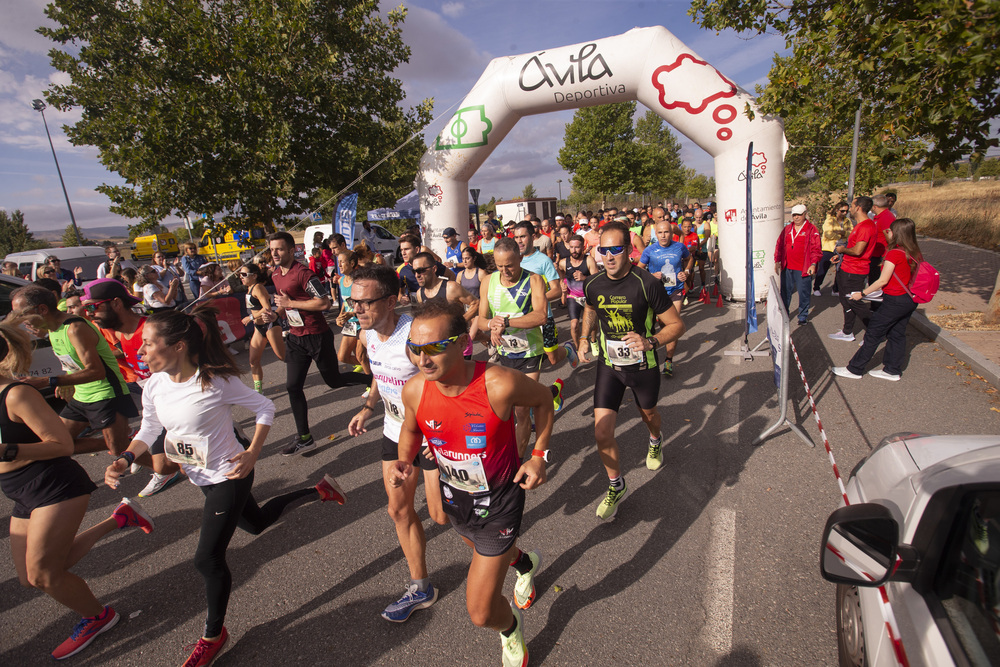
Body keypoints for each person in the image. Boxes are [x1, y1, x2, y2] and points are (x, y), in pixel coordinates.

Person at [104, 306, 347, 667]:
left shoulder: (214, 380)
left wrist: (252, 454)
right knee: (256, 523)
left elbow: (265, 408)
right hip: (200, 474)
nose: (139, 352)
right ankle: (319, 490)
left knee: (207, 558)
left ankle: (213, 635)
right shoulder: (153, 385)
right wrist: (125, 458)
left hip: (230, 474)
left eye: (148, 344)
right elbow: (150, 430)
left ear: (178, 346)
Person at [390, 300, 550, 667]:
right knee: (475, 544)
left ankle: (510, 627)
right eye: (415, 348)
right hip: (457, 499)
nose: (422, 359)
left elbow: (543, 401)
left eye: (434, 348)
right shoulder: (415, 390)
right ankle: (524, 563)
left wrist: (539, 456)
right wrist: (403, 457)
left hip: (500, 503)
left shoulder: (498, 383)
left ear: (462, 344)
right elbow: (411, 430)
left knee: (480, 613)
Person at [0, 319, 154, 661]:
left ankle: (99, 617)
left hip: (52, 483)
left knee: (45, 574)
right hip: (18, 490)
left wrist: (9, 452)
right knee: (29, 578)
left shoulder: (16, 394)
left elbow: (60, 445)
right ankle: (120, 518)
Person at [345, 266, 446, 622]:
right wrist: (368, 406)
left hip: (430, 434)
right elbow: (379, 374)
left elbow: (444, 384)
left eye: (365, 303)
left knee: (442, 515)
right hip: (395, 430)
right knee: (398, 510)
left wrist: (441, 433)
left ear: (390, 301)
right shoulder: (369, 332)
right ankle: (421, 587)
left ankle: (515, 558)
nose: (357, 309)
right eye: (353, 302)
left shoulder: (413, 338)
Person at [579, 222, 685, 519]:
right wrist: (584, 338)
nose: (609, 256)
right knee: (602, 433)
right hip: (610, 367)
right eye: (603, 250)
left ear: (629, 250)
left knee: (648, 416)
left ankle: (655, 440)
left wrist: (650, 341)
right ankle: (616, 484)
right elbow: (589, 308)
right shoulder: (593, 283)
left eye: (615, 249)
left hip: (643, 365)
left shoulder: (646, 283)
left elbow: (677, 325)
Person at [264, 232, 370, 455]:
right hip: (295, 337)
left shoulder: (303, 273)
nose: (274, 253)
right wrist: (276, 315)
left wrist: (289, 302)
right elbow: (286, 304)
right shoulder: (275, 274)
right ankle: (304, 438)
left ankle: (374, 380)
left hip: (316, 335)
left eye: (279, 249)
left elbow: (324, 303)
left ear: (292, 251)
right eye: (272, 249)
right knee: (293, 387)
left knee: (334, 381)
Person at [82, 279, 184, 498]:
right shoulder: (120, 334)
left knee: (173, 465)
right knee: (164, 464)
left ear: (117, 303)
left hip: (180, 403)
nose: (89, 313)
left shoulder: (152, 329)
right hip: (154, 399)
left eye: (93, 307)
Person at [12, 285, 137, 457]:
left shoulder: (75, 328)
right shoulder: (53, 328)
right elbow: (72, 363)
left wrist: (48, 381)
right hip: (81, 396)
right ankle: (125, 443)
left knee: (117, 450)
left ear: (42, 309)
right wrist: (66, 380)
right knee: (57, 443)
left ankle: (162, 467)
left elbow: (96, 371)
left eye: (21, 314)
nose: (20, 320)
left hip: (106, 394)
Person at [479, 238, 560, 455]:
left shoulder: (534, 280)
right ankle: (550, 392)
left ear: (520, 258)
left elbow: (541, 316)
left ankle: (518, 459)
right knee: (504, 407)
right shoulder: (488, 281)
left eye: (510, 265)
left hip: (530, 352)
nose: (504, 271)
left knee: (522, 410)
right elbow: (480, 319)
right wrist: (490, 324)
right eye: (499, 266)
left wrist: (505, 322)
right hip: (505, 353)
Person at [833, 218, 923, 382]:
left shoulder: (894, 253)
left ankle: (855, 368)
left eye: (889, 230)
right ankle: (892, 370)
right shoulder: (915, 252)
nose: (886, 232)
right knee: (897, 334)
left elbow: (882, 280)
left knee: (873, 332)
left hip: (894, 300)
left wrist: (862, 293)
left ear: (896, 234)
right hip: (909, 299)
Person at [513, 221, 577, 372]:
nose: (519, 241)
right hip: (521, 318)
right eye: (516, 237)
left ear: (533, 236)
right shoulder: (513, 260)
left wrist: (533, 300)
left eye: (523, 236)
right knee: (528, 360)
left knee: (552, 359)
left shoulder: (543, 260)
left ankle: (567, 350)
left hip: (543, 317)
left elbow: (556, 290)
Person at [637, 220, 692, 376]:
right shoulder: (649, 250)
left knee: (672, 324)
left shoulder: (679, 247)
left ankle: (668, 360)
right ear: (656, 234)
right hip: (656, 292)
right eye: (660, 232)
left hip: (675, 290)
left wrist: (686, 272)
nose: (663, 235)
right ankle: (648, 352)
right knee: (656, 324)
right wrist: (651, 276)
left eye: (666, 232)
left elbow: (689, 260)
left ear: (672, 233)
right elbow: (639, 270)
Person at [829, 196, 877, 342]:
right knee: (846, 301)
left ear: (858, 207)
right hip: (847, 268)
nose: (849, 209)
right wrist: (841, 256)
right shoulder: (860, 225)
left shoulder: (866, 226)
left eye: (851, 205)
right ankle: (847, 331)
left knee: (854, 301)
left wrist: (843, 249)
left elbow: (857, 251)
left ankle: (874, 332)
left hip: (855, 271)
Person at [239, 263, 286, 394]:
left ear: (254, 276)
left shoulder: (258, 288)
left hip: (270, 325)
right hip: (259, 328)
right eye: (240, 275)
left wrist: (251, 317)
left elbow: (267, 308)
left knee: (282, 356)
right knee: (253, 360)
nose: (241, 277)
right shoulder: (249, 288)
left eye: (244, 275)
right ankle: (258, 390)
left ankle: (300, 365)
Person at [774, 204, 822, 325]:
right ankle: (784, 315)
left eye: (799, 215)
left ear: (805, 214)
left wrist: (813, 264)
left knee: (804, 293)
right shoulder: (787, 229)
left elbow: (816, 248)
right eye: (794, 215)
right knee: (785, 293)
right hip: (787, 267)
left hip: (803, 268)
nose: (796, 217)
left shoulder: (811, 229)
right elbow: (779, 245)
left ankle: (802, 316)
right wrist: (777, 260)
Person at [559, 235, 599, 361]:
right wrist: (562, 286)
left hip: (588, 296)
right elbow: (560, 276)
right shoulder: (563, 262)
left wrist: (584, 278)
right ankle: (577, 349)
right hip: (573, 297)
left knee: (592, 325)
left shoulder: (589, 260)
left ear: (583, 247)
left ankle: (593, 341)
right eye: (571, 247)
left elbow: (598, 280)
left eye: (577, 247)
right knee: (574, 325)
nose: (574, 250)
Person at [814, 201, 852, 296]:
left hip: (842, 247)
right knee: (823, 268)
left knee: (840, 269)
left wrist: (841, 232)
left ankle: (836, 289)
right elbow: (828, 234)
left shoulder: (848, 221)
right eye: (842, 211)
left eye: (846, 211)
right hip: (829, 248)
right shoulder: (829, 220)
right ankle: (816, 287)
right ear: (837, 210)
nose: (844, 213)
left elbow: (851, 233)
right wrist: (843, 233)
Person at [868, 194, 897, 285]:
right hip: (876, 253)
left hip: (881, 255)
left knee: (876, 281)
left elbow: (891, 238)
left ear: (874, 206)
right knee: (872, 278)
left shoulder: (886, 217)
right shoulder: (880, 216)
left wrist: (886, 256)